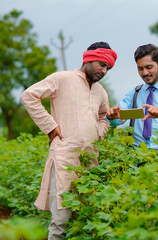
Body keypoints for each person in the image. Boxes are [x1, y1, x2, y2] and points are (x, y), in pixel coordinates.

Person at [20, 41, 117, 240]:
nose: (104, 71)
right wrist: (50, 126)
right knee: (60, 221)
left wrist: (99, 133)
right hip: (64, 159)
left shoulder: (101, 92)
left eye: (108, 68)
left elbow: (103, 117)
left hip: (90, 163)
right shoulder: (62, 78)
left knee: (85, 220)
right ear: (88, 59)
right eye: (101, 64)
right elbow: (29, 96)